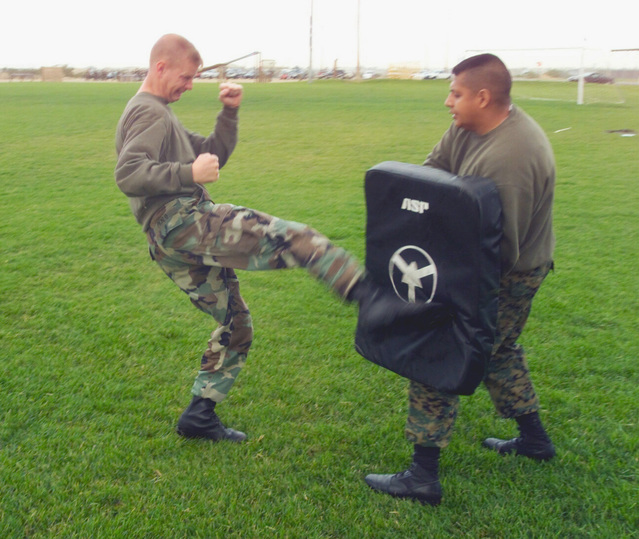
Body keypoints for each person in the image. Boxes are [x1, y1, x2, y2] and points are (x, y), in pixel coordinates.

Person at [114, 34, 430, 444]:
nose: (190, 85)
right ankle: (373, 301)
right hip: (181, 222)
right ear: (160, 68)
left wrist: (229, 113)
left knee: (236, 324)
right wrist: (187, 175)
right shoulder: (149, 112)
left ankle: (199, 414)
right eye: (186, 77)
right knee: (294, 238)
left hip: (167, 241)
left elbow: (212, 152)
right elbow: (128, 173)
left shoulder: (159, 113)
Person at [364, 53, 556, 506]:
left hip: (509, 274)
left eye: (456, 94)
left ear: (483, 97)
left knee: (440, 351)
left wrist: (442, 280)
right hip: (480, 259)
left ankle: (423, 477)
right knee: (497, 350)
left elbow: (500, 251)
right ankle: (534, 441)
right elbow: (433, 173)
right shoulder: (469, 126)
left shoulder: (511, 158)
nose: (448, 102)